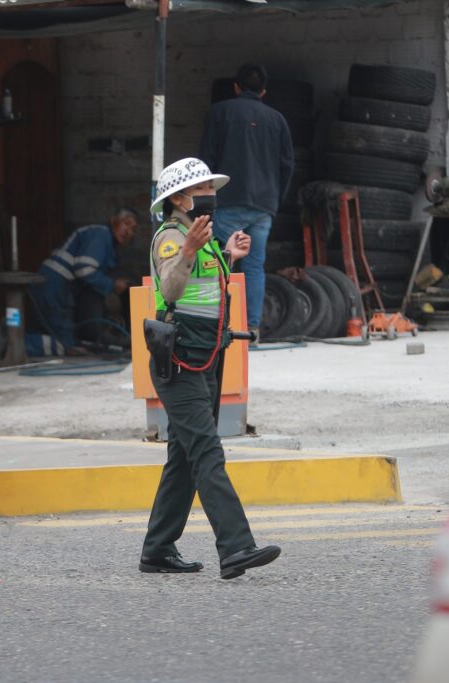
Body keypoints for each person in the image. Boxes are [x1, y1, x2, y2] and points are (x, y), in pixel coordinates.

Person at [139, 157, 280, 580]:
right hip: (180, 362)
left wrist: (230, 256)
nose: (210, 195)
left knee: (183, 458)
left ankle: (158, 550)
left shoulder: (202, 238)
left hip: (205, 357)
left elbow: (208, 294)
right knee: (206, 452)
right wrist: (187, 252)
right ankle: (236, 547)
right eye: (201, 188)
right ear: (179, 198)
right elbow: (170, 289)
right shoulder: (171, 238)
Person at [199, 63, 294, 339]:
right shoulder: (278, 120)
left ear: (236, 87)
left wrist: (204, 202)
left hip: (228, 201)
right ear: (263, 91)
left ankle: (214, 325)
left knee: (216, 260)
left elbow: (206, 159)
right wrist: (276, 198)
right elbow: (287, 165)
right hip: (264, 207)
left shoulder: (219, 112)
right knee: (254, 266)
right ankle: (252, 328)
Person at [25, 208, 139, 356]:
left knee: (64, 341)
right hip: (54, 286)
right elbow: (84, 269)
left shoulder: (108, 244)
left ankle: (16, 341)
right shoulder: (101, 235)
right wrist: (112, 284)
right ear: (113, 220)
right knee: (66, 346)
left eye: (133, 229)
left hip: (59, 288)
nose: (128, 231)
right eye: (126, 223)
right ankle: (7, 341)